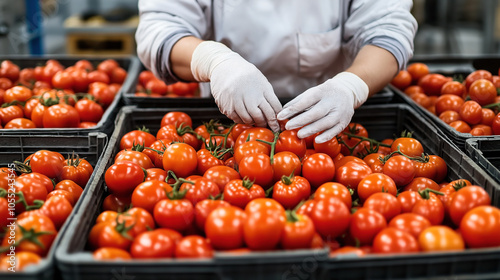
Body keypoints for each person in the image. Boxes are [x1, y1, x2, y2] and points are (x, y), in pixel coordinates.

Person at [136, 0, 417, 143]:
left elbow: (388, 31)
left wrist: (352, 86)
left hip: (329, 127)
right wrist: (215, 61)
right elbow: (160, 29)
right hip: (224, 125)